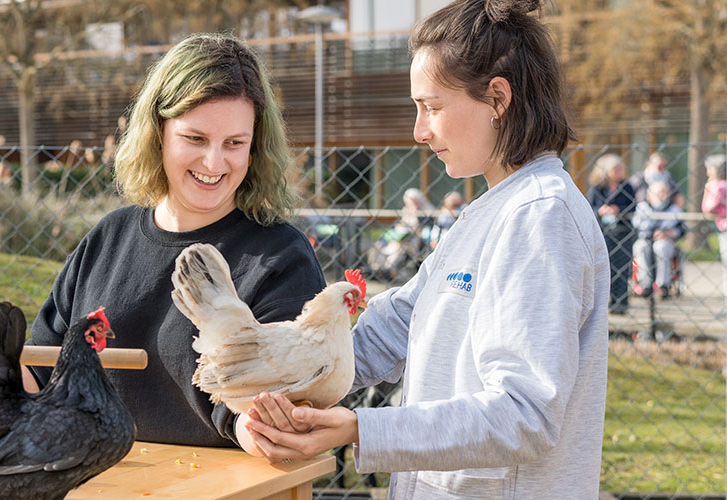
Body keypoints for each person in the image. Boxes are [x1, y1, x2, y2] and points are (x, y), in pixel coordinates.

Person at [242, 1, 610, 499]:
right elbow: (396, 326)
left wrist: (360, 429)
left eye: (432, 107)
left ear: (498, 99)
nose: (419, 131)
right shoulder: (489, 211)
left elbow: (525, 415)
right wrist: (284, 378)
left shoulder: (540, 218)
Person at [0, 33, 327, 452]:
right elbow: (37, 368)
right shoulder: (109, 239)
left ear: (255, 149)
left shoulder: (281, 259)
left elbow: (277, 410)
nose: (214, 162)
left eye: (234, 143)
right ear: (157, 133)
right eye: (195, 139)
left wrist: (264, 427)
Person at [587, 153, 637, 314]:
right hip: (603, 232)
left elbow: (633, 207)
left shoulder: (627, 186)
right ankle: (602, 305)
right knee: (603, 269)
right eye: (616, 169)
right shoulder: (597, 189)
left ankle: (620, 304)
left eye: (620, 168)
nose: (619, 171)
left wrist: (618, 210)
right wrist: (600, 211)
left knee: (622, 268)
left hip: (623, 231)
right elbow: (590, 208)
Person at [631, 181, 685, 299]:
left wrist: (669, 233)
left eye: (665, 192)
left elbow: (682, 229)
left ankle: (663, 284)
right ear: (650, 194)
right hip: (645, 239)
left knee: (661, 247)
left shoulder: (674, 209)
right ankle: (645, 284)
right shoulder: (642, 207)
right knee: (641, 247)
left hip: (665, 240)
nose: (663, 195)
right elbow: (635, 227)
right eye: (659, 193)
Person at [701, 154, 727, 319]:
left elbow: (708, 208)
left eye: (709, 169)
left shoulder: (716, 185)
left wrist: (707, 189)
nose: (707, 172)